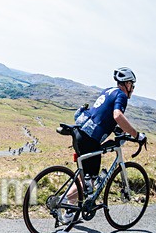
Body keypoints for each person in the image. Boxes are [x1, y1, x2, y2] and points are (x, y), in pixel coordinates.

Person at [60, 67, 146, 223]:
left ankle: (67, 214)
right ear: (126, 83)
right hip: (89, 139)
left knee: (84, 179)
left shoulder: (109, 91)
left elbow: (102, 115)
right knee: (90, 181)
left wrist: (118, 129)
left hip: (81, 133)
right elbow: (117, 115)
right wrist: (136, 135)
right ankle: (64, 201)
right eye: (132, 85)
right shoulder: (121, 95)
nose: (132, 89)